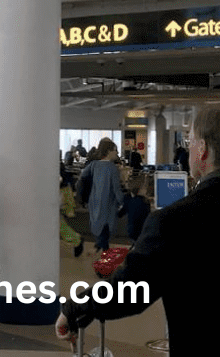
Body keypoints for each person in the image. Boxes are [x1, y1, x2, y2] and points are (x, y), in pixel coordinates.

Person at [57, 107, 220, 356]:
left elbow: (131, 289)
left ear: (202, 149)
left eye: (191, 141)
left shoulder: (174, 222)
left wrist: (78, 307)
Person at [80, 138, 124, 254]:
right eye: (115, 151)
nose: (117, 153)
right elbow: (116, 190)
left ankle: (100, 248)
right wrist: (124, 201)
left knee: (99, 228)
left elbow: (83, 176)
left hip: (94, 202)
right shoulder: (112, 168)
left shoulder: (94, 164)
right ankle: (104, 257)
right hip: (108, 205)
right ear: (109, 151)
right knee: (106, 230)